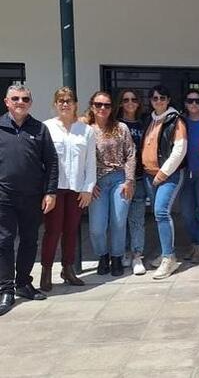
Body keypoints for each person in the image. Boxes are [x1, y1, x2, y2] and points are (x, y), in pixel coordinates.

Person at [0, 85, 58, 315]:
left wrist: (50, 192)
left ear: (30, 103)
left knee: (29, 240)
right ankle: (6, 289)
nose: (20, 102)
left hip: (33, 196)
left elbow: (52, 163)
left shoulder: (39, 129)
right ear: (7, 101)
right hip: (4, 196)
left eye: (25, 99)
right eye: (15, 98)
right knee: (4, 241)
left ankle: (23, 282)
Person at [41, 87, 96, 291]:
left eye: (69, 100)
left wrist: (88, 188)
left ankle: (68, 269)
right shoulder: (46, 128)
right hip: (55, 189)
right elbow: (42, 162)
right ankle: (46, 271)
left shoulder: (86, 130)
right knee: (52, 231)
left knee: (72, 231)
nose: (65, 104)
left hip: (76, 189)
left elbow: (90, 162)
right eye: (61, 101)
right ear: (55, 104)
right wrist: (47, 191)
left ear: (75, 104)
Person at [86, 91, 136, 277]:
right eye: (99, 104)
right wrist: (88, 184)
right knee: (97, 227)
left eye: (107, 105)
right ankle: (102, 256)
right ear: (92, 106)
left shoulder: (121, 128)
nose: (102, 108)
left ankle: (116, 257)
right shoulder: (85, 129)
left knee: (118, 221)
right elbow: (81, 159)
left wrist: (129, 181)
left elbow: (130, 154)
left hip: (119, 179)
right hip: (96, 183)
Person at [141, 85, 188, 280]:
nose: (158, 101)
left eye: (162, 97)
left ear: (168, 100)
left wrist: (163, 173)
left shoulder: (175, 120)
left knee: (161, 211)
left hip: (168, 175)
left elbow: (180, 149)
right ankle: (164, 252)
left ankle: (169, 258)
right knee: (158, 214)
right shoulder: (149, 120)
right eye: (154, 98)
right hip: (148, 174)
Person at [116, 89, 148, 275]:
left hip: (140, 178)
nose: (130, 103)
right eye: (126, 99)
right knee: (120, 219)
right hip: (119, 179)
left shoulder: (145, 124)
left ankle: (137, 255)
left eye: (134, 99)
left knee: (137, 219)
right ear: (120, 103)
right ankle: (122, 252)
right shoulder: (115, 124)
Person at [180, 88, 199, 264]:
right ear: (185, 103)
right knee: (186, 212)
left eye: (197, 101)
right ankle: (194, 241)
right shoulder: (181, 122)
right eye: (190, 101)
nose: (194, 104)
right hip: (184, 173)